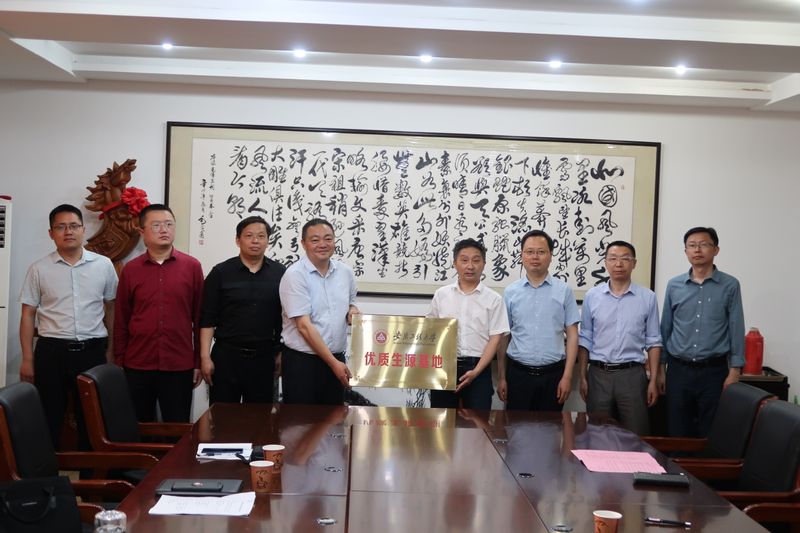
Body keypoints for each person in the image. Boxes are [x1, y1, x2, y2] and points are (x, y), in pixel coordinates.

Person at [19, 204, 117, 449]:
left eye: (74, 226)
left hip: (92, 351)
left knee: (92, 419)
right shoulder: (39, 269)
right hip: (51, 352)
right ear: (51, 233)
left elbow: (112, 309)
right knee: (49, 416)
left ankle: (90, 472)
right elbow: (28, 314)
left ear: (83, 229)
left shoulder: (104, 265)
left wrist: (111, 350)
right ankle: (48, 471)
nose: (68, 231)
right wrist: (28, 359)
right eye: (61, 227)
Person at [114, 204, 204, 422]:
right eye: (156, 225)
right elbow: (121, 318)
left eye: (169, 224)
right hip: (137, 363)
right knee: (139, 425)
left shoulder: (192, 267)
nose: (164, 229)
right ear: (142, 232)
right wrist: (119, 360)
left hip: (179, 363)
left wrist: (198, 361)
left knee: (177, 425)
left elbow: (200, 318)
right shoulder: (131, 269)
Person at [659, 226, 745, 437]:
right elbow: (666, 327)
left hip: (714, 371)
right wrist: (660, 368)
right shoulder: (674, 285)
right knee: (677, 429)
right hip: (678, 370)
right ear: (686, 251)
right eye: (692, 245)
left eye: (704, 244)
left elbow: (736, 327)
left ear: (716, 250)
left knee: (711, 430)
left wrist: (735, 370)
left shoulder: (730, 285)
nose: (697, 250)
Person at [577, 240, 662, 435]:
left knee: (636, 434)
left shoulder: (647, 297)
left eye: (625, 259)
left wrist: (653, 380)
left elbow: (654, 341)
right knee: (597, 433)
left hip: (632, 376)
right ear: (605, 262)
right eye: (613, 258)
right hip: (599, 374)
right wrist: (582, 376)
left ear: (634, 263)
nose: (618, 264)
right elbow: (585, 339)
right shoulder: (592, 296)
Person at [199, 216, 285, 404]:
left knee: (259, 417)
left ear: (268, 241)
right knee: (222, 415)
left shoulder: (280, 273)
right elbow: (207, 319)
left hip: (264, 358)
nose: (255, 241)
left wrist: (281, 353)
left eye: (261, 236)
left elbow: (284, 319)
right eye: (249, 236)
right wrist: (205, 357)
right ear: (238, 240)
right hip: (226, 357)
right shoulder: (220, 273)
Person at [279, 218, 359, 405]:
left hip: (337, 358)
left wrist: (352, 311)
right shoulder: (295, 275)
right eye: (315, 240)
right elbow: (304, 326)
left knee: (333, 418)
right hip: (303, 363)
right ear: (303, 243)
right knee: (301, 420)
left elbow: (351, 304)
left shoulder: (345, 272)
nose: (323, 244)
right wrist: (333, 363)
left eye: (328, 239)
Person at [498, 229, 579, 411]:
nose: (535, 257)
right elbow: (504, 337)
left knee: (551, 427)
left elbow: (573, 335)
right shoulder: (511, 292)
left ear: (550, 255)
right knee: (516, 427)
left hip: (554, 375)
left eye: (541, 252)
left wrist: (567, 377)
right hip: (518, 375)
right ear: (522, 255)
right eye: (530, 252)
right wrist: (502, 377)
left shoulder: (564, 291)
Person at [426, 238, 509, 409]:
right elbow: (430, 330)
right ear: (455, 263)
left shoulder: (494, 299)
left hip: (479, 368)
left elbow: (495, 339)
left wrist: (476, 371)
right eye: (464, 260)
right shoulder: (441, 295)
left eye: (476, 260)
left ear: (484, 264)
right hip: (444, 367)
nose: (470, 266)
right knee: (442, 419)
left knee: (478, 421)